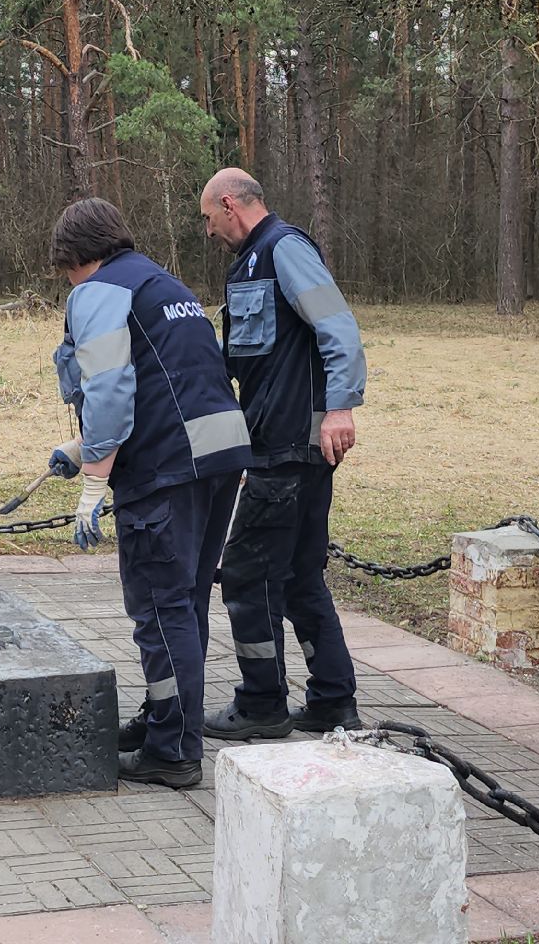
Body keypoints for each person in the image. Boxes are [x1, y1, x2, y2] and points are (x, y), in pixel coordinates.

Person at [46, 197, 253, 787]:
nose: (69, 283)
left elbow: (109, 391)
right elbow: (170, 381)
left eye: (67, 271)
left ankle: (172, 751)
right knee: (184, 604)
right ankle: (170, 718)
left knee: (160, 610)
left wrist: (93, 482)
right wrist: (80, 449)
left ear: (77, 258)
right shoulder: (163, 282)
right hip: (217, 457)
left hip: (166, 470)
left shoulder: (99, 289)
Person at [198, 168, 367, 740]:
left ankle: (262, 704)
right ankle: (331, 701)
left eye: (208, 218)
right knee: (298, 576)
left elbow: (338, 328)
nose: (208, 229)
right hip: (276, 446)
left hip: (294, 448)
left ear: (229, 204)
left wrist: (340, 409)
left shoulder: (284, 250)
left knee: (246, 574)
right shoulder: (247, 263)